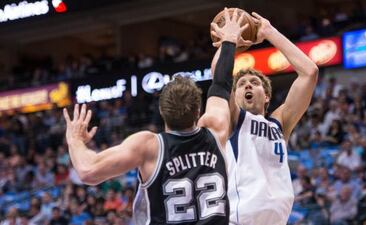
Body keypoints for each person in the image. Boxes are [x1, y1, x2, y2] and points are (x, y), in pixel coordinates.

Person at [63, 8, 247, 225]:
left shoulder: (149, 146)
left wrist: (74, 139)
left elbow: (87, 171)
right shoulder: (215, 130)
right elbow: (221, 83)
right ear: (198, 112)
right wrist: (229, 41)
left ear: (162, 111)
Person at [211, 11, 318, 225]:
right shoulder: (234, 119)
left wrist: (270, 32)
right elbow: (219, 75)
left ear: (267, 96)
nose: (248, 85)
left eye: (254, 83)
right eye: (241, 85)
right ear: (235, 96)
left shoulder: (280, 122)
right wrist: (229, 40)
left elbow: (310, 72)